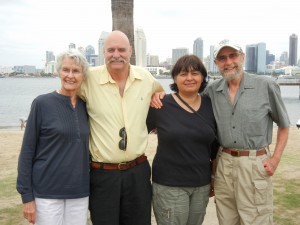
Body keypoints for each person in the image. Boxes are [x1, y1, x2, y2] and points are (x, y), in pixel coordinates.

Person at [151, 40, 290, 225]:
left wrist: (275, 159)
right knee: (226, 219)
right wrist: (157, 93)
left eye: (233, 56)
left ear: (242, 57)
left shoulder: (265, 85)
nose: (228, 61)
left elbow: (284, 125)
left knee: (257, 219)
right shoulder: (212, 92)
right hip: (223, 164)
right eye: (222, 58)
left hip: (254, 164)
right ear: (216, 63)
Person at [78, 30, 164, 225]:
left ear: (130, 51)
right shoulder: (88, 79)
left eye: (121, 49)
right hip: (102, 175)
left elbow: (160, 93)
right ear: (103, 52)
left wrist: (157, 96)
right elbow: (67, 96)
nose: (116, 54)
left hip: (138, 171)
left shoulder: (145, 78)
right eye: (111, 50)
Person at [16, 49, 90, 225]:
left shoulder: (87, 106)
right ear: (58, 72)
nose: (70, 75)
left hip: (79, 193)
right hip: (46, 193)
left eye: (76, 71)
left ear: (83, 75)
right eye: (66, 70)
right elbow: (27, 152)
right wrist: (27, 197)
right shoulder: (42, 103)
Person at [147, 55, 219, 225]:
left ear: (202, 77)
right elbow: (138, 132)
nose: (189, 78)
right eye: (183, 74)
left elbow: (215, 146)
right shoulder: (161, 104)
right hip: (169, 184)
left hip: (201, 184)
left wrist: (214, 177)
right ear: (174, 78)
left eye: (194, 73)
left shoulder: (211, 105)